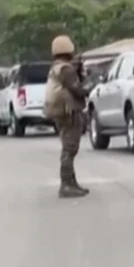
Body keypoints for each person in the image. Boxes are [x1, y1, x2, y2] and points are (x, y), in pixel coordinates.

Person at [43, 35, 90, 198]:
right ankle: (66, 185)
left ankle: (71, 183)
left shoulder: (56, 67)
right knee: (70, 148)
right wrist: (90, 86)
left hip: (60, 111)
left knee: (68, 147)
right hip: (68, 111)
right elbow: (77, 89)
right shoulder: (66, 69)